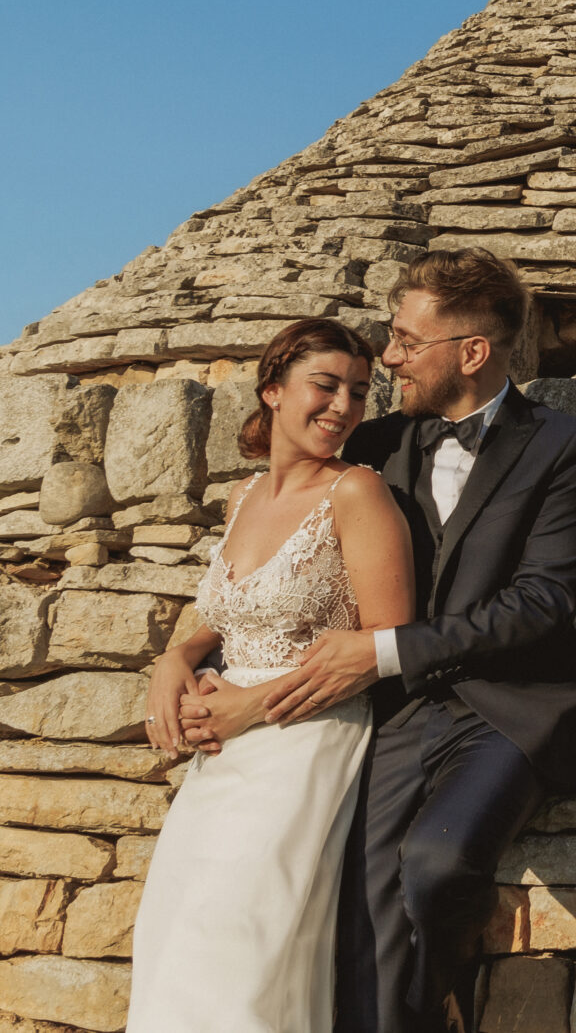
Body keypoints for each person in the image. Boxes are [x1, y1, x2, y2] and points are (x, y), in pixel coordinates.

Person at [257, 248, 576, 1033]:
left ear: (471, 352)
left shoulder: (562, 446)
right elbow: (281, 549)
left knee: (436, 865)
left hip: (504, 714)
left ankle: (436, 1005)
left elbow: (543, 600)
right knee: (357, 897)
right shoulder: (372, 446)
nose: (390, 356)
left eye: (408, 341)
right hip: (396, 715)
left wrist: (384, 651)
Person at [130, 318, 414, 1032]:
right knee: (177, 936)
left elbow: (386, 641)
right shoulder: (244, 497)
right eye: (326, 385)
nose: (344, 406)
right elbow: (226, 613)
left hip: (303, 740)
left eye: (358, 391)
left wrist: (249, 706)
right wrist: (175, 657)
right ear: (273, 389)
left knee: (243, 948)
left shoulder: (358, 493)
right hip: (221, 758)